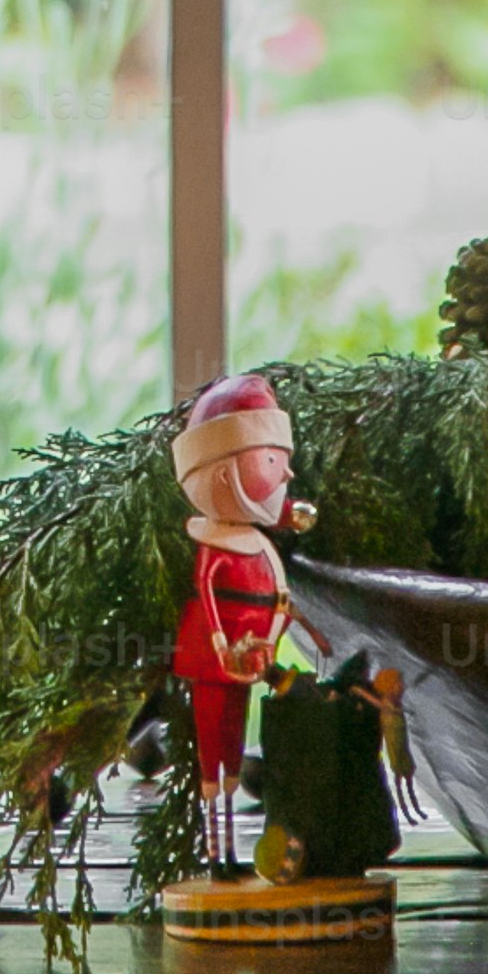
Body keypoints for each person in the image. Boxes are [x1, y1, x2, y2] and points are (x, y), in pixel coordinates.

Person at [168, 372, 310, 869]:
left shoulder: (261, 546)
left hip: (250, 657)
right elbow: (208, 595)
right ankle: (217, 850)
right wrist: (221, 642)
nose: (286, 475)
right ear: (223, 469)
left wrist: (270, 640)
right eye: (272, 459)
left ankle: (227, 843)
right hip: (215, 659)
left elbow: (281, 599)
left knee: (233, 742)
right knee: (214, 750)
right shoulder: (215, 548)